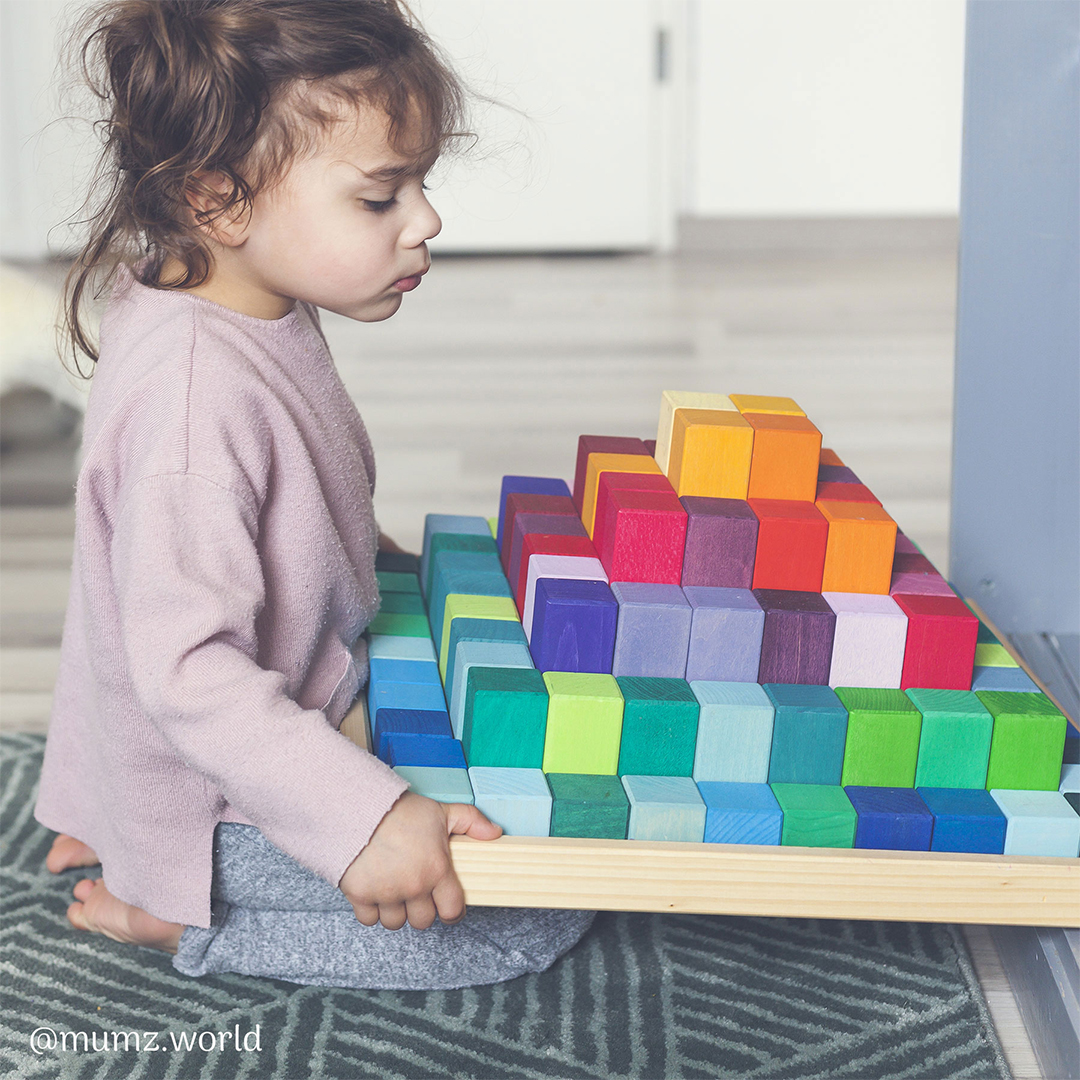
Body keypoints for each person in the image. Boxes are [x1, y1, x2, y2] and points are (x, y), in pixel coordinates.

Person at [35, 0, 593, 990]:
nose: (426, 220)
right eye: (381, 198)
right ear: (218, 200)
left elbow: (274, 514)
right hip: (221, 802)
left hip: (271, 719)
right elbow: (185, 670)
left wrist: (412, 578)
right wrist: (365, 818)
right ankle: (179, 918)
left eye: (420, 185)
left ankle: (129, 833)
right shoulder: (195, 408)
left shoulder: (228, 292)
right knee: (523, 909)